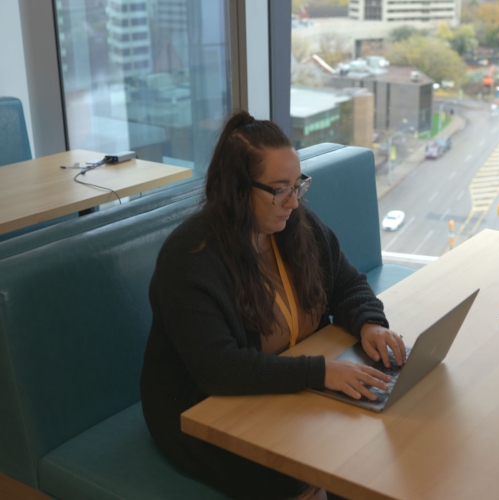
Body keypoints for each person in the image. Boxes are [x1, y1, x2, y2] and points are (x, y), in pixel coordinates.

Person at [140, 110, 406, 500]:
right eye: (280, 189)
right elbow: (219, 369)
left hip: (284, 394)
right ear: (236, 189)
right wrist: (320, 373)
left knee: (370, 445)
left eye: (298, 185)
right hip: (202, 409)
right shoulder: (190, 259)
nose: (293, 202)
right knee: (295, 476)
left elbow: (347, 283)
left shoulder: (296, 227)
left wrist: (370, 323)